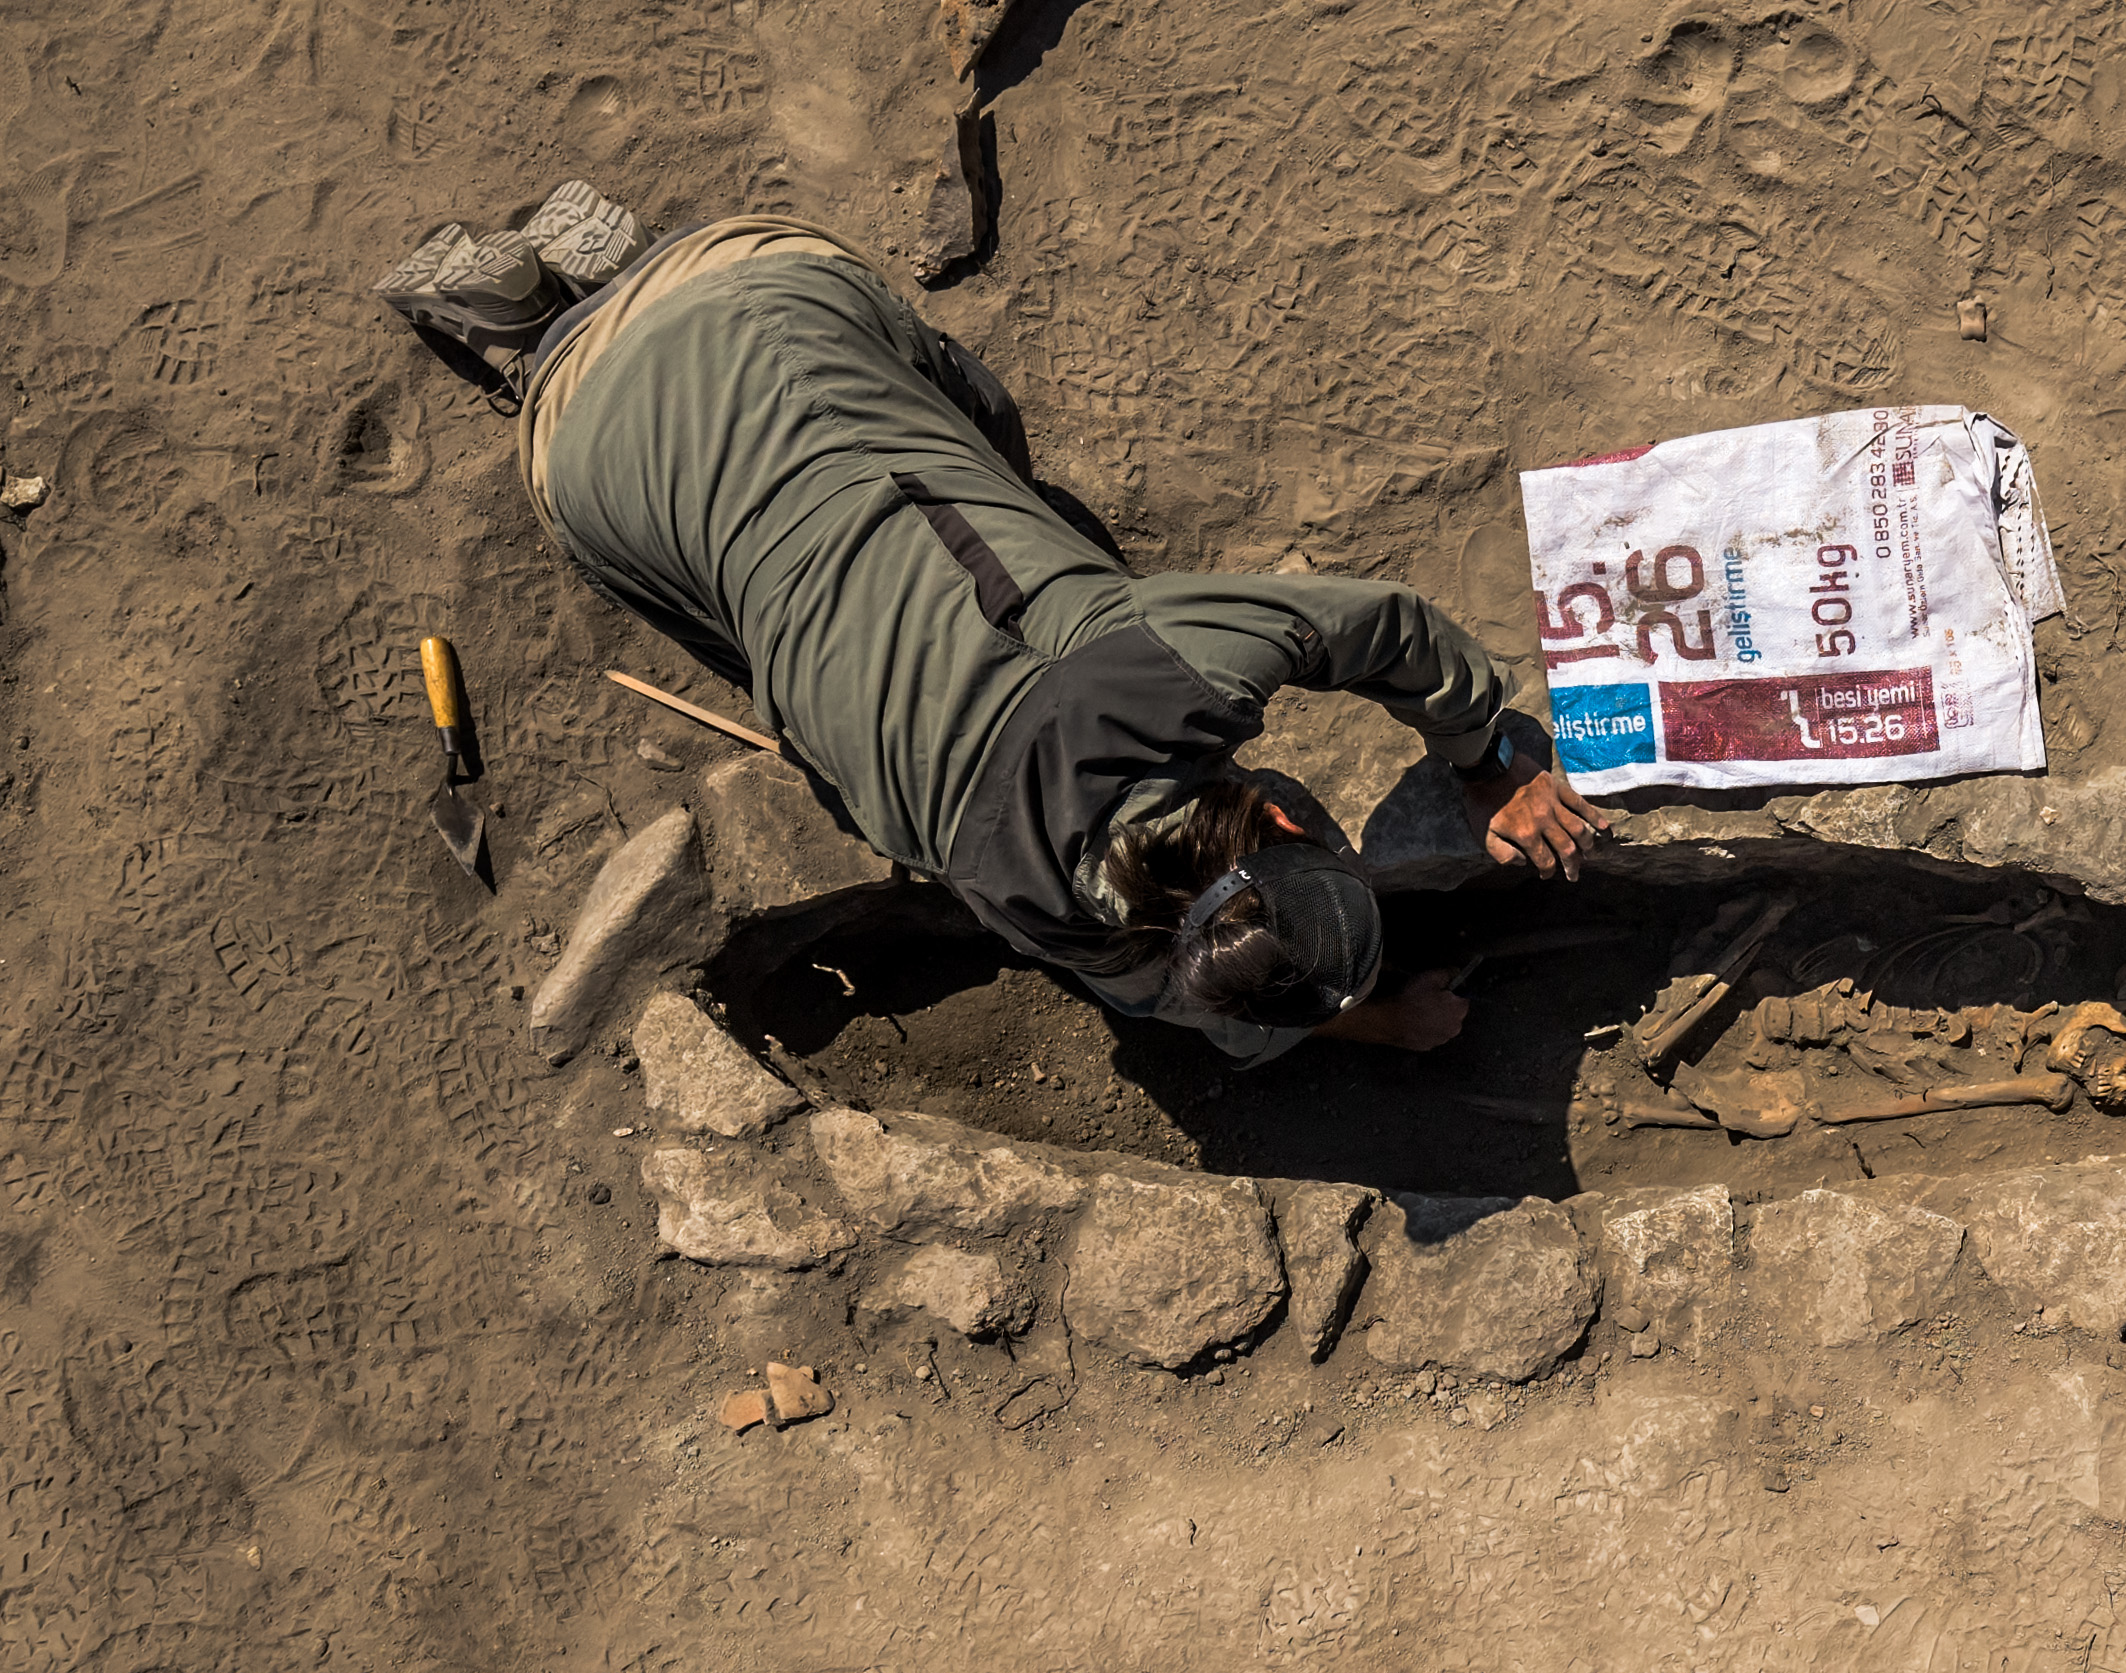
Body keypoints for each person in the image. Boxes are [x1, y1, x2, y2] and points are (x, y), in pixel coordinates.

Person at [377, 192, 1608, 1064]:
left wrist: (1485, 753)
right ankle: (540, 333)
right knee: (729, 611)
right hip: (580, 471)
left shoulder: (1146, 662)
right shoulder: (1007, 887)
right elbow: (1162, 997)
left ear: (1280, 816)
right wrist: (1374, 1025)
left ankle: (604, 284)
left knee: (975, 417)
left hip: (750, 284)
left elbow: (1380, 625)